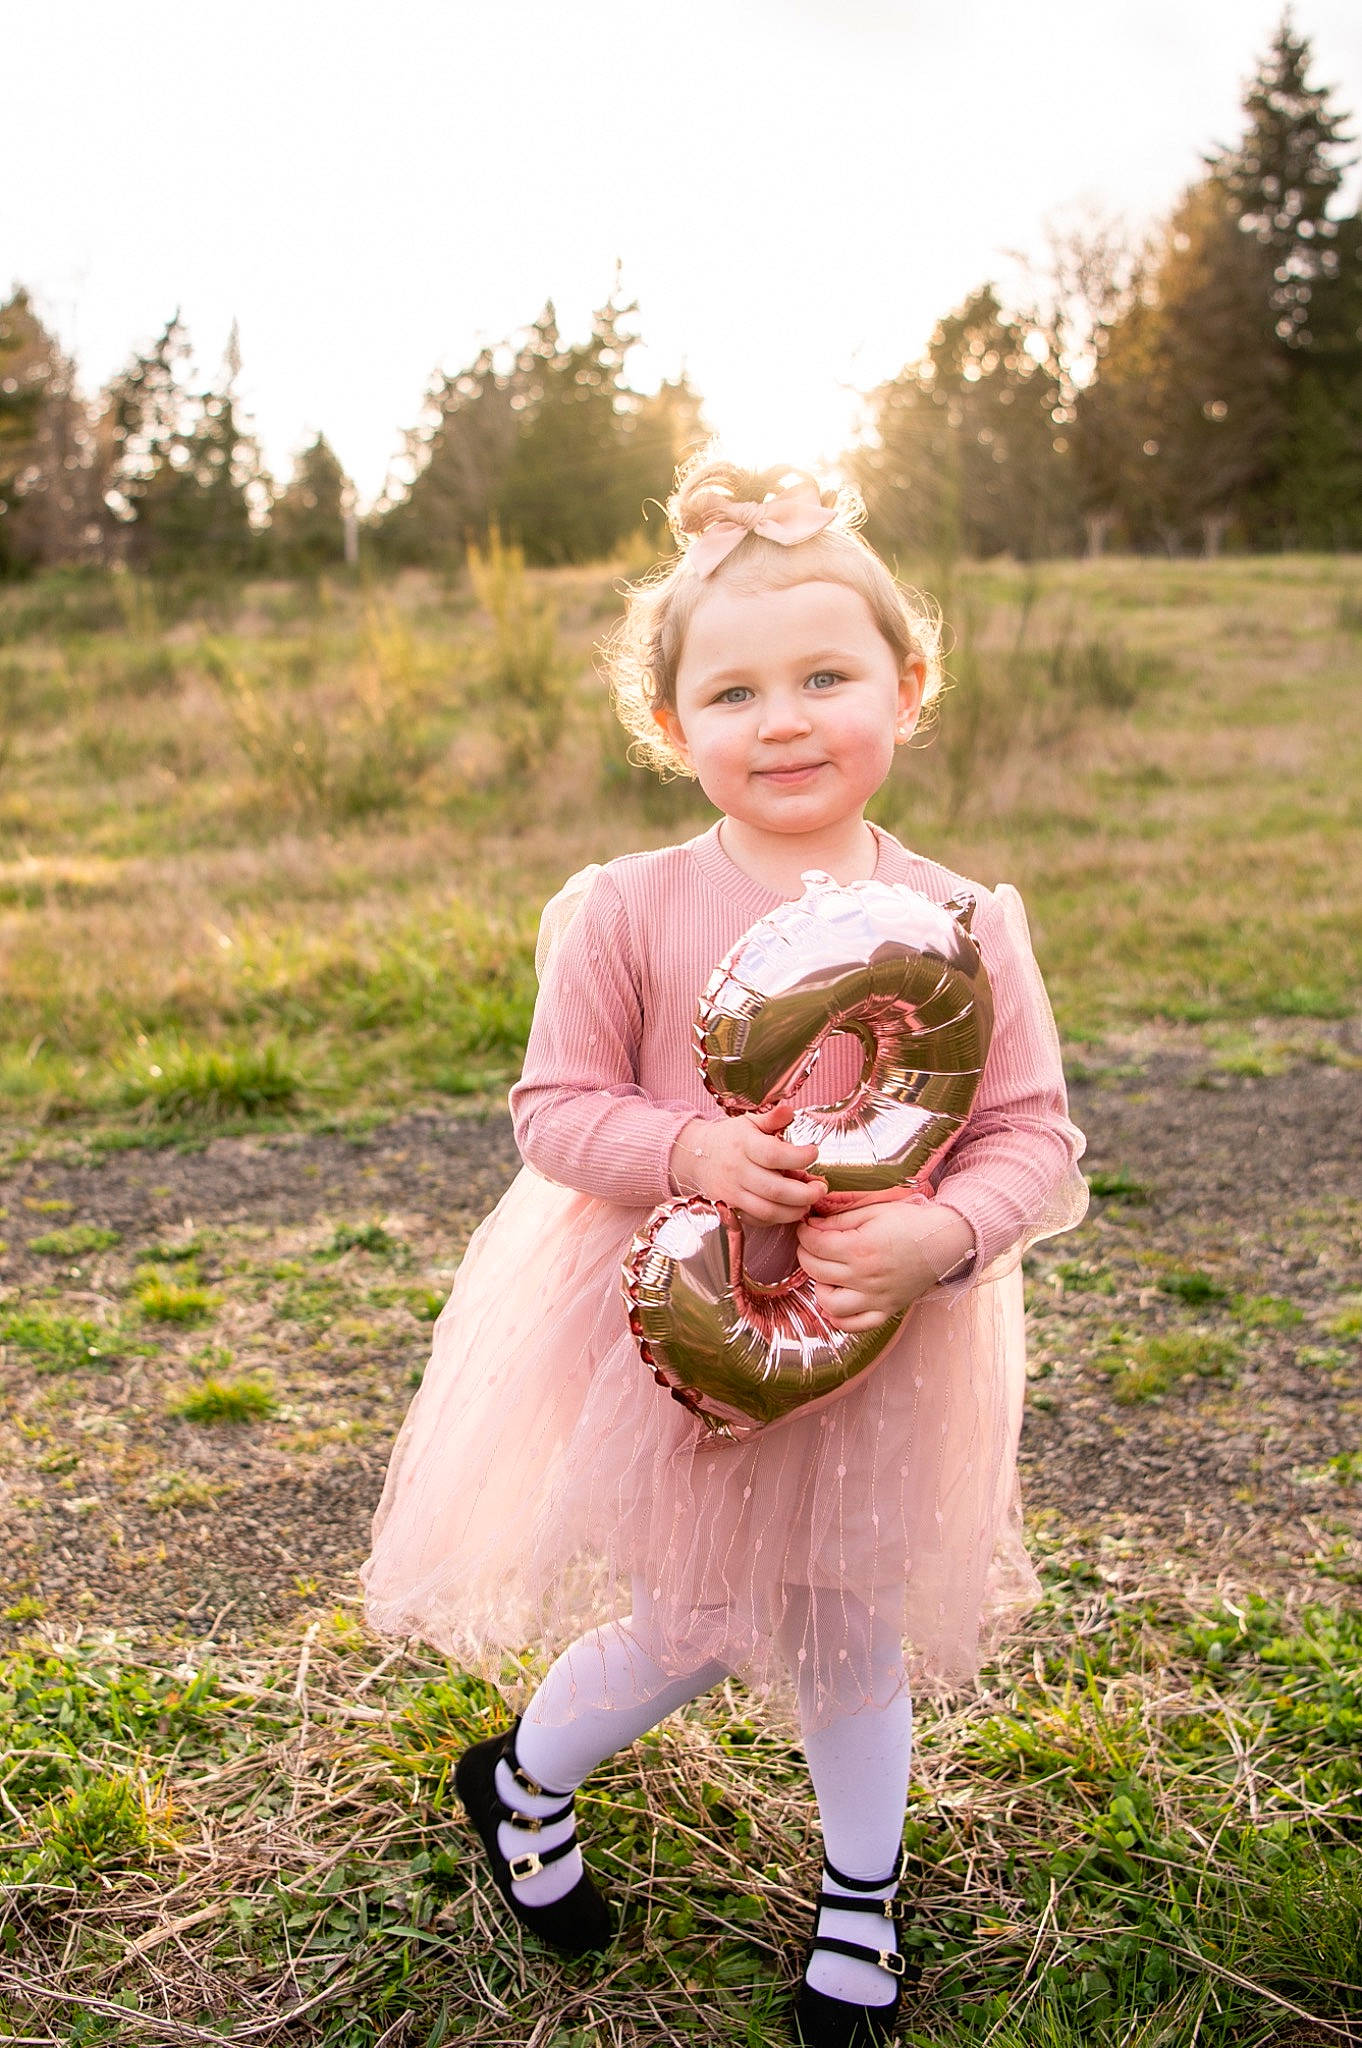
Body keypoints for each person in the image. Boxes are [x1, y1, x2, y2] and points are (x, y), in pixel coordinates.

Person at [359, 456, 1088, 2046]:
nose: (783, 719)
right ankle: (524, 1783)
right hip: (679, 1333)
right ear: (671, 725)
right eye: (734, 690)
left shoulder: (967, 919)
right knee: (687, 1619)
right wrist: (688, 1147)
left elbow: (1037, 1138)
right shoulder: (624, 909)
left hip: (886, 1334)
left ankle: (857, 1894)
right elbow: (554, 1111)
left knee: (849, 1619)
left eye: (826, 677)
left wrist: (944, 1234)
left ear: (907, 685)